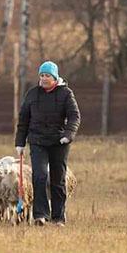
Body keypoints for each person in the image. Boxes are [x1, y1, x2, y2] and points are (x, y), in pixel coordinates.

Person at [15, 60, 81, 227]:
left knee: (58, 179)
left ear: (55, 77)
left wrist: (68, 135)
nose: (44, 79)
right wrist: (20, 143)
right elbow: (23, 119)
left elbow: (74, 116)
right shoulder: (32, 94)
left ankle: (58, 217)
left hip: (59, 142)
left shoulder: (65, 93)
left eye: (47, 76)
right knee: (40, 176)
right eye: (42, 75)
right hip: (37, 141)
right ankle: (40, 215)